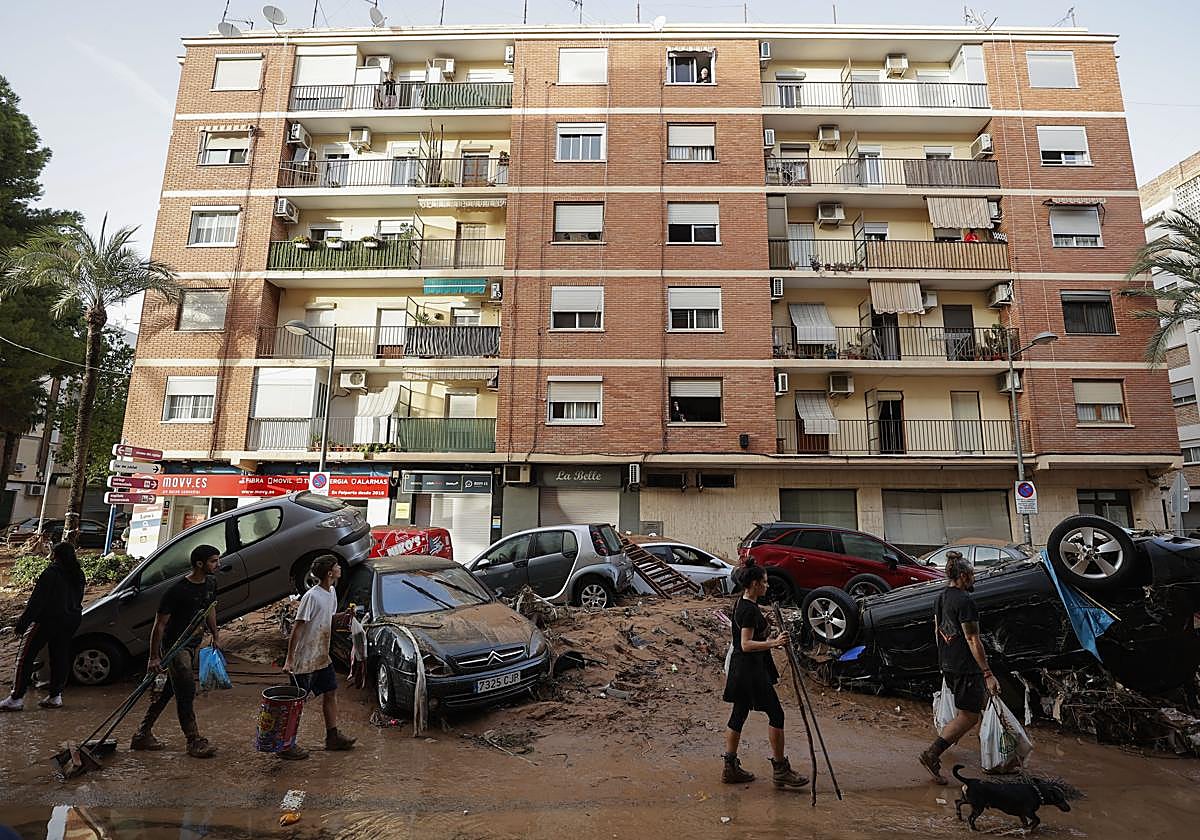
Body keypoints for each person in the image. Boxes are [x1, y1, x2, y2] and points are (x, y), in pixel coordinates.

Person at [720, 564, 808, 789]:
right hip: (750, 671)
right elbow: (746, 644)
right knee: (776, 714)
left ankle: (730, 767)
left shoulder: (744, 603)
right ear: (754, 584)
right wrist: (775, 643)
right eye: (765, 582)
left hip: (744, 669)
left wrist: (770, 635)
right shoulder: (748, 609)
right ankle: (780, 769)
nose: (767, 586)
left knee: (739, 714)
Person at [129, 544, 221, 758]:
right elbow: (159, 624)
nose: (218, 565)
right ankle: (193, 740)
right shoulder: (177, 590)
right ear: (199, 564)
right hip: (175, 646)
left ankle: (142, 734)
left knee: (171, 690)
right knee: (186, 690)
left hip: (193, 642)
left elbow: (210, 609)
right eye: (213, 561)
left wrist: (216, 635)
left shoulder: (211, 583)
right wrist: (154, 656)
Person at [919, 551, 1000, 784]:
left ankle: (989, 748)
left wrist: (943, 662)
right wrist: (988, 673)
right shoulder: (965, 601)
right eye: (972, 575)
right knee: (969, 716)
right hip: (965, 667)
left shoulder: (940, 597)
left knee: (970, 708)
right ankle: (932, 753)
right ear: (964, 576)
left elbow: (937, 631)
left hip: (948, 663)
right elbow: (972, 639)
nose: (974, 579)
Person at [280, 555, 356, 760]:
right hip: (304, 658)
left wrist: (345, 617)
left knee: (330, 692)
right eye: (337, 566)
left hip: (321, 656)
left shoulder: (331, 592)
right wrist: (290, 659)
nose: (340, 568)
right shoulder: (311, 597)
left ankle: (332, 737)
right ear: (330, 572)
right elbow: (298, 628)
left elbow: (329, 620)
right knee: (297, 703)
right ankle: (286, 745)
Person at [0, 543, 86, 711]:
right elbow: (79, 598)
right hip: (71, 620)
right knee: (59, 656)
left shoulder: (51, 574)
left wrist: (22, 625)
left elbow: (36, 602)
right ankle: (56, 696)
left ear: (55, 555)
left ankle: (16, 698)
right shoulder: (78, 574)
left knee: (25, 657)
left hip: (47, 621)